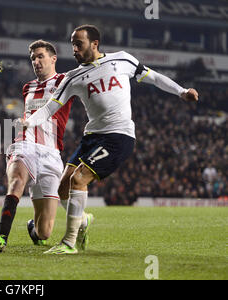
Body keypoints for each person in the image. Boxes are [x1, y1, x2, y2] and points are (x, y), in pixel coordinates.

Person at [21, 25, 199, 254]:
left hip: (118, 136)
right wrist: (29, 122)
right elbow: (49, 108)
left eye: (79, 44)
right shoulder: (72, 77)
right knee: (62, 186)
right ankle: (83, 220)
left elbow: (154, 77)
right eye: (72, 44)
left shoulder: (122, 60)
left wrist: (182, 91)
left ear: (94, 43)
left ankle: (69, 242)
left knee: (78, 180)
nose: (74, 49)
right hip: (91, 137)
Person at [0, 40, 92, 252]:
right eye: (33, 58)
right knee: (17, 180)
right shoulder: (28, 87)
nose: (36, 61)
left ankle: (32, 227)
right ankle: (1, 235)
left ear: (53, 59)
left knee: (44, 232)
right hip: (25, 144)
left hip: (52, 154)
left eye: (40, 56)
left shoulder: (65, 80)